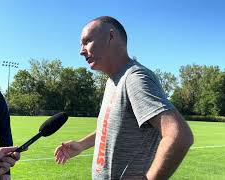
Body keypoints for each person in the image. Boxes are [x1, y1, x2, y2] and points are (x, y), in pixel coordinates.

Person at [54, 16, 194, 180]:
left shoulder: (135, 78)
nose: (81, 50)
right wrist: (82, 144)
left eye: (87, 41)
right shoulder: (112, 81)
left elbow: (178, 135)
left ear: (111, 37)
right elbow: (110, 127)